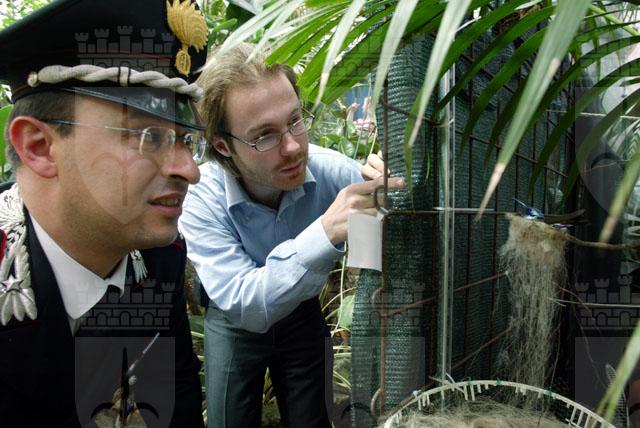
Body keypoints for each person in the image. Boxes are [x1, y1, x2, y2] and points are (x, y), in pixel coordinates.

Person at [0, 0, 208, 426]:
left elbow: (175, 401)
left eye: (185, 140)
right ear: (40, 147)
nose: (190, 170)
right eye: (149, 137)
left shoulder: (159, 259)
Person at [179, 42, 403, 427]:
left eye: (295, 120)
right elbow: (244, 303)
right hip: (235, 320)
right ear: (222, 146)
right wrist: (323, 235)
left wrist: (387, 192)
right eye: (264, 136)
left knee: (312, 418)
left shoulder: (332, 172)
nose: (294, 147)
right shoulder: (202, 197)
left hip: (301, 311)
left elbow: (376, 244)